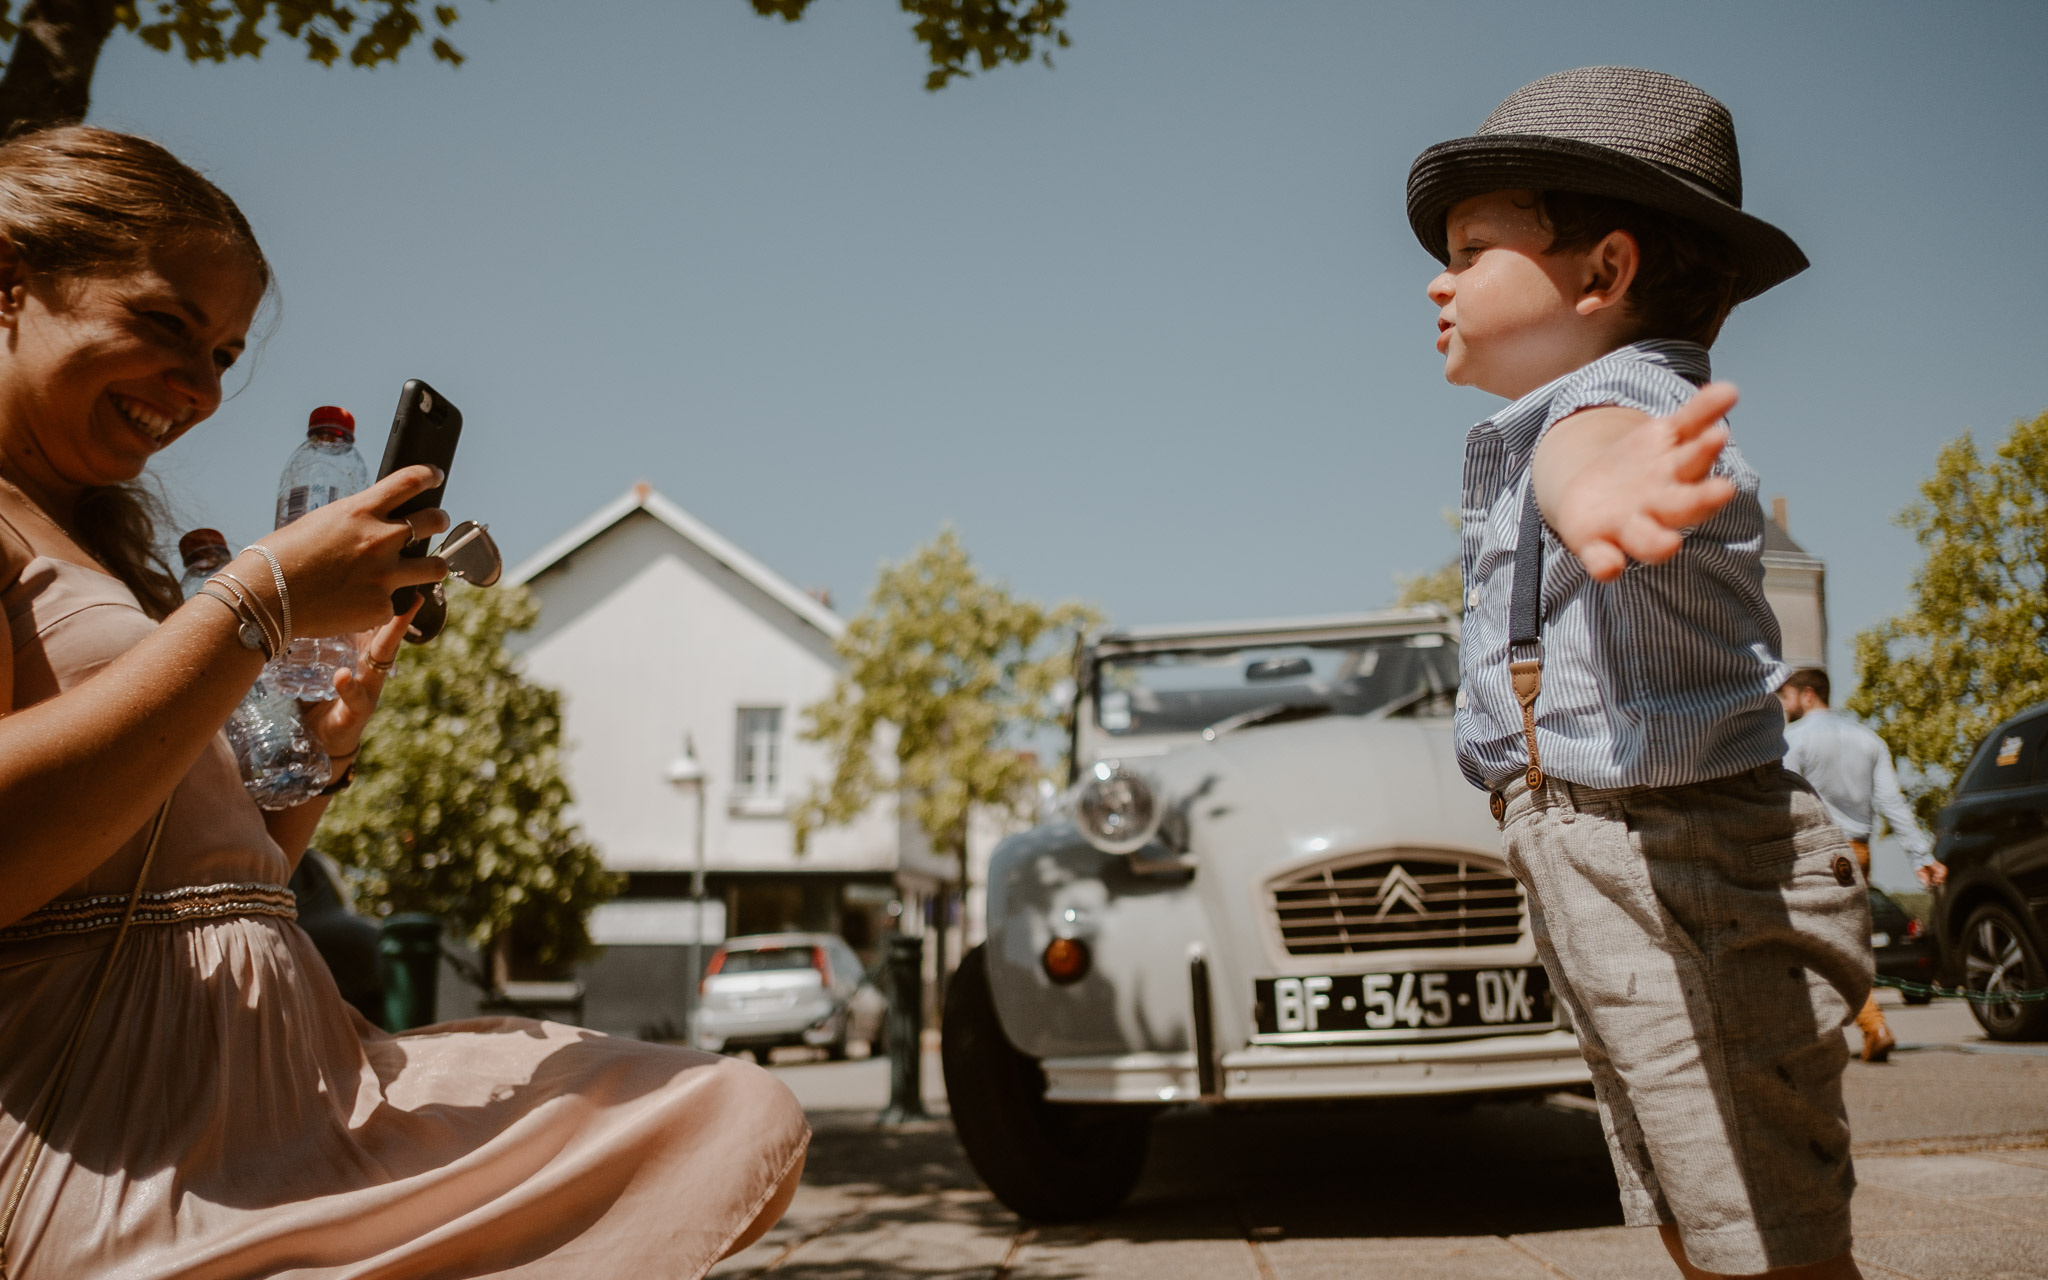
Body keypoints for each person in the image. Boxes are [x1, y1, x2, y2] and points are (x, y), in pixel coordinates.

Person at [0, 126, 806, 1278]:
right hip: (126, 1133)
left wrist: (312, 767)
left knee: (719, 1111)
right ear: (7, 278)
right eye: (167, 326)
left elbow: (207, 888)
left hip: (279, 1094)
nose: (200, 389)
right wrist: (257, 601)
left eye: (226, 355)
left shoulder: (91, 536)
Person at [1408, 69, 1870, 1279]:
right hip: (1604, 865)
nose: (1434, 279)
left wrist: (1601, 490)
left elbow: (1591, 449)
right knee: (1687, 1196)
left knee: (1762, 1225)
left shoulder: (1616, 401)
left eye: (1467, 247)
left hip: (1685, 867)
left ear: (1602, 273)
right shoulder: (1559, 422)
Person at [1780, 666, 1942, 1063]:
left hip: (1812, 850)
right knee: (1848, 943)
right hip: (1858, 853)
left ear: (1807, 695)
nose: (1782, 705)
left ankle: (1872, 1026)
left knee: (1820, 946)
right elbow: (1892, 803)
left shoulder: (1791, 739)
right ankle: (1864, 1028)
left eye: (1785, 697)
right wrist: (1921, 855)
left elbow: (1787, 803)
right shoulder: (1868, 739)